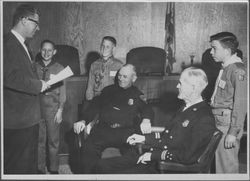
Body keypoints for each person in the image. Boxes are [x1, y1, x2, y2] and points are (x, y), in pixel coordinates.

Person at [95, 67, 217, 174]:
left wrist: (153, 156)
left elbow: (187, 156)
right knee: (101, 166)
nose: (177, 86)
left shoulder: (203, 117)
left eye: (180, 83)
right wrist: (144, 138)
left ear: (193, 88)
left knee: (107, 170)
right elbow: (169, 138)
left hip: (167, 168)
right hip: (157, 158)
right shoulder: (185, 108)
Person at [73, 64, 154, 173]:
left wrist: (146, 120)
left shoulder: (136, 94)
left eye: (125, 77)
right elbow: (94, 106)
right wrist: (83, 120)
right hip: (104, 130)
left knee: (134, 156)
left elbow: (147, 108)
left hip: (126, 132)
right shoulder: (108, 91)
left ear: (133, 79)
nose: (121, 79)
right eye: (119, 76)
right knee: (88, 149)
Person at [3, 4, 50, 174]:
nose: (38, 28)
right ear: (23, 20)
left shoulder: (22, 44)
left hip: (27, 117)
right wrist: (40, 85)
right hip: (17, 120)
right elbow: (9, 78)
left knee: (27, 163)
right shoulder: (8, 43)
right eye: (35, 23)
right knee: (17, 166)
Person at [209, 32, 247, 173]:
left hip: (227, 124)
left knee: (226, 168)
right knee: (216, 165)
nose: (211, 52)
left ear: (227, 51)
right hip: (218, 120)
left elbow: (241, 104)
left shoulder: (237, 70)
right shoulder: (226, 68)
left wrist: (233, 132)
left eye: (214, 48)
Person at [35, 40, 66, 174]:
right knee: (39, 140)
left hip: (53, 109)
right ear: (40, 50)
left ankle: (53, 168)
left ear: (54, 52)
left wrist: (60, 110)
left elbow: (63, 93)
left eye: (50, 50)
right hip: (37, 108)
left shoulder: (60, 68)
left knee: (53, 140)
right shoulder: (34, 66)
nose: (46, 53)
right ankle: (40, 168)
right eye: (44, 50)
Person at [85, 36, 124, 101]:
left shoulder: (119, 65)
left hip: (113, 98)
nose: (104, 49)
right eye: (102, 46)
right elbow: (90, 86)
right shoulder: (94, 65)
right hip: (97, 98)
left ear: (113, 49)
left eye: (107, 47)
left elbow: (123, 86)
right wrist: (89, 101)